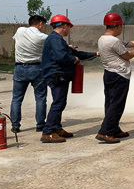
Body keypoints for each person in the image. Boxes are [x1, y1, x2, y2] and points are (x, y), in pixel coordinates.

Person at [95, 12, 134, 143]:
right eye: (121, 26)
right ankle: (105, 132)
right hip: (119, 76)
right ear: (116, 26)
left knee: (111, 103)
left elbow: (128, 43)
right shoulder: (113, 41)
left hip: (109, 74)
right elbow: (127, 56)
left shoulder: (103, 39)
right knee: (117, 105)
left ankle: (114, 128)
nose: (121, 28)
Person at [40, 15, 98, 143]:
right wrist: (74, 60)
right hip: (57, 75)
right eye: (68, 27)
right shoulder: (55, 40)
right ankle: (48, 132)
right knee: (58, 103)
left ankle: (56, 128)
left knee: (60, 102)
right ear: (64, 26)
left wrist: (95, 54)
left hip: (58, 74)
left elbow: (75, 53)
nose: (69, 30)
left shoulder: (57, 40)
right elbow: (63, 57)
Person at [10, 15, 49, 133]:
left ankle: (15, 126)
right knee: (40, 98)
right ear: (40, 24)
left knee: (17, 99)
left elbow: (16, 40)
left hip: (20, 67)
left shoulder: (20, 30)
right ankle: (40, 124)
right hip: (37, 68)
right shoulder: (43, 37)